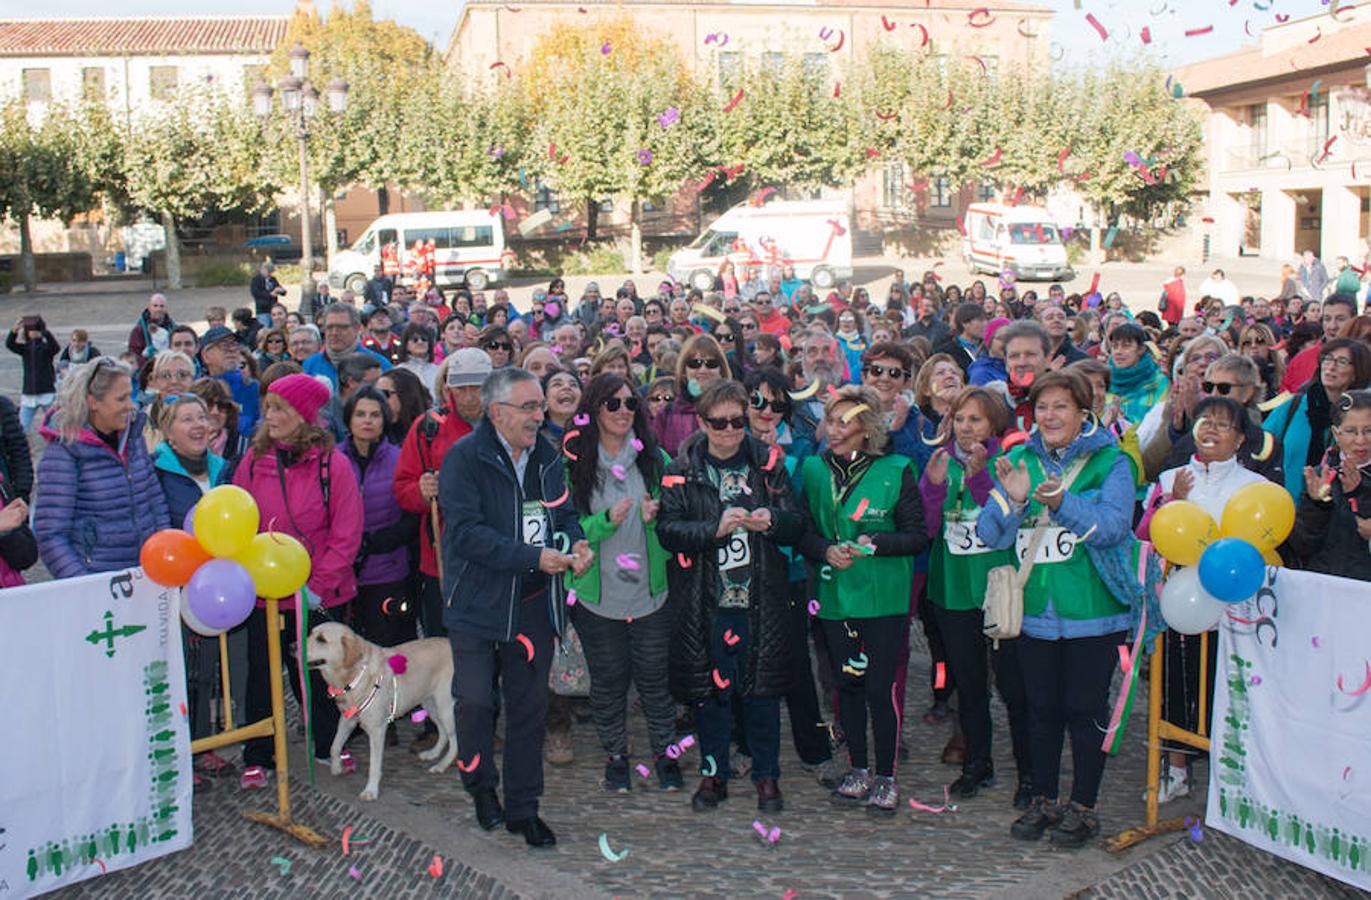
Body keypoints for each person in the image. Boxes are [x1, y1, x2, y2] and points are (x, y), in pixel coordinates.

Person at [976, 369, 1136, 849]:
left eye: (1060, 407)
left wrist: (1063, 502)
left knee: (1083, 710)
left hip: (1093, 610)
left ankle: (1083, 806)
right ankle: (1044, 798)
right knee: (1040, 709)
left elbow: (1111, 527)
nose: (1049, 416)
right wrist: (1017, 503)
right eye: (1042, 408)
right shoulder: (1019, 457)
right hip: (1034, 612)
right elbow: (990, 534)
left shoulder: (1112, 462)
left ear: (1083, 413)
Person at [439, 366, 591, 847]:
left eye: (539, 407)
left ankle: (524, 809)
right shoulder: (464, 459)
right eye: (528, 407)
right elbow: (464, 534)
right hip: (476, 603)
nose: (538, 415)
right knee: (476, 703)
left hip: (531, 604)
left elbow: (563, 513)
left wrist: (577, 543)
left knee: (527, 709)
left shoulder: (547, 455)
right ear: (497, 412)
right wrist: (533, 556)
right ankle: (481, 786)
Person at [657, 379, 811, 814]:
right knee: (711, 694)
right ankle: (713, 773)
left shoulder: (768, 463)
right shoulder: (683, 467)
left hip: (760, 597)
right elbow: (668, 530)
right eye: (719, 423)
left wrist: (773, 520)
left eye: (737, 421)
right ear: (703, 422)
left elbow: (798, 522)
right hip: (705, 601)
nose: (729, 430)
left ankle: (766, 775)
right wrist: (713, 530)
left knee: (761, 693)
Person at [799, 385, 927, 814]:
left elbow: (916, 534)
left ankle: (886, 775)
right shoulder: (815, 470)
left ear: (867, 429)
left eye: (843, 422)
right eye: (829, 420)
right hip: (836, 596)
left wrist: (878, 542)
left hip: (884, 597)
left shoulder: (897, 468)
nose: (832, 430)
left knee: (878, 687)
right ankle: (857, 768)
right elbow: (803, 530)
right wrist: (823, 551)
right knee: (847, 686)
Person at [1135, 396, 1269, 802]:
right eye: (1204, 421)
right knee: (1176, 683)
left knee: (1230, 688)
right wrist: (1170, 501)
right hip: (1181, 603)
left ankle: (1232, 777)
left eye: (1223, 425)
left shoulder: (1257, 488)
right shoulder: (1170, 477)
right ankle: (1175, 771)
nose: (1211, 430)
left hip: (1237, 609)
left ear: (1241, 438)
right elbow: (1145, 534)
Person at [233, 373, 363, 783]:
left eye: (279, 409)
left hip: (316, 594)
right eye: (267, 407)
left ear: (303, 416)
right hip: (265, 595)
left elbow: (347, 531)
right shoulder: (253, 461)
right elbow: (238, 521)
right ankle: (259, 752)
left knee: (324, 675)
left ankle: (327, 743)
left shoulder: (332, 465)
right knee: (262, 676)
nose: (268, 416)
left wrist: (318, 586)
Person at [563, 374, 681, 792]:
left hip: (649, 593)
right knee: (609, 680)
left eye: (631, 404)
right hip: (598, 596)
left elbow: (677, 525)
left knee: (654, 679)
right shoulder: (574, 462)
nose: (623, 412)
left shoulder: (656, 460)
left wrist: (657, 519)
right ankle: (616, 754)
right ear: (594, 408)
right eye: (613, 404)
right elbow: (564, 529)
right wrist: (601, 524)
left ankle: (665, 753)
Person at [921, 386, 1032, 806]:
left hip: (999, 591)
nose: (967, 428)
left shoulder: (1009, 464)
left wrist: (980, 477)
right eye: (960, 419)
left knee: (1014, 688)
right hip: (952, 592)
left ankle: (1029, 774)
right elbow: (927, 526)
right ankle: (977, 765)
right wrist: (933, 487)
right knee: (969, 687)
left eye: (976, 420)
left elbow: (1001, 520)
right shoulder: (940, 462)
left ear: (994, 425)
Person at [393, 348, 489, 726]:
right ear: (450, 387)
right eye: (462, 387)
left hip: (494, 558)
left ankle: (484, 715)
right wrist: (421, 490)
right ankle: (447, 721)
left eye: (478, 388)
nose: (470, 396)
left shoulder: (507, 421)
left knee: (491, 644)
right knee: (443, 644)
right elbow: (402, 489)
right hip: (442, 561)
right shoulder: (427, 427)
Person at [35, 357, 169, 577]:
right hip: (98, 580)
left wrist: (163, 552)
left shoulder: (133, 440)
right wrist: (83, 584)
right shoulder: (65, 453)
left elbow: (155, 502)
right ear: (93, 402)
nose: (131, 405)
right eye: (121, 399)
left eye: (130, 396)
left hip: (146, 576)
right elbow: (51, 534)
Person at [345, 385, 418, 649]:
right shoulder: (334, 461)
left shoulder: (400, 459)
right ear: (349, 419)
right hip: (345, 573)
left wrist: (377, 542)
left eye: (375, 415)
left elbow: (411, 515)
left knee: (391, 651)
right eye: (360, 414)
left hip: (388, 569)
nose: (367, 420)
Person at [1263, 337, 1371, 500]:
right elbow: (1260, 446)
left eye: (1342, 361)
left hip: (1340, 515)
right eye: (1327, 359)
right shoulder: (1294, 406)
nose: (1331, 367)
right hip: (1283, 508)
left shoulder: (1362, 417)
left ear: (1356, 372)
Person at [1290, 389, 1371, 580]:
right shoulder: (1322, 475)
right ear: (1335, 433)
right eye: (1351, 431)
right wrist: (1318, 505)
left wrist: (1358, 495)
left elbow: (1364, 529)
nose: (1360, 440)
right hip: (1326, 588)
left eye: (1369, 431)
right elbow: (1301, 545)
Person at [653, 333, 731, 457]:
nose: (703, 370)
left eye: (711, 363)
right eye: (695, 363)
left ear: (721, 369)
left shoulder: (735, 411)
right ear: (684, 370)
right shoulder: (666, 414)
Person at [1280, 292, 1357, 393]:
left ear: (1354, 320)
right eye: (1327, 319)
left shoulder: (1364, 359)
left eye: (1340, 319)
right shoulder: (1301, 360)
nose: (1332, 326)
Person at [303, 303, 393, 390]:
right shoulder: (310, 364)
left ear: (357, 328)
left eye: (342, 327)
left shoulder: (379, 365)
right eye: (329, 327)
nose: (334, 333)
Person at [198, 325, 261, 436]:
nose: (231, 349)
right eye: (224, 345)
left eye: (234, 344)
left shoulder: (252, 388)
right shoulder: (198, 392)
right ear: (206, 356)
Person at [1105, 323, 1169, 426]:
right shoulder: (1103, 380)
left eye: (1126, 346)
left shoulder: (1159, 382)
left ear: (1141, 349)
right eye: (1115, 346)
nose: (1118, 352)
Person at [7, 315, 59, 431]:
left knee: (54, 426)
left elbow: (55, 348)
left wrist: (43, 333)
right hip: (29, 393)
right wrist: (14, 331)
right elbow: (10, 344)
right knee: (22, 427)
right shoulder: (25, 348)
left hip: (46, 392)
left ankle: (59, 447)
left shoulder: (45, 348)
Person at [376, 367, 431, 443]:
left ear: (405, 396)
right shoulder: (375, 432)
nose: (378, 398)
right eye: (377, 393)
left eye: (384, 393)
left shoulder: (428, 433)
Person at [934, 303, 986, 374]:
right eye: (980, 320)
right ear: (965, 323)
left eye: (986, 320)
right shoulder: (947, 352)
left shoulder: (987, 349)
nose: (985, 324)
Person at [128, 293, 175, 359]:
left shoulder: (173, 328)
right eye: (155, 306)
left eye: (162, 306)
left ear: (166, 308)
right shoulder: (139, 330)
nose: (158, 309)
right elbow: (134, 356)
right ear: (149, 308)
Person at [541, 368, 582, 444]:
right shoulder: (533, 437)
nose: (567, 387)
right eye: (557, 384)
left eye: (573, 385)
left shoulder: (595, 434)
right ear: (544, 399)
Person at [250, 261, 288, 327]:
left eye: (271, 272)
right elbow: (256, 293)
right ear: (262, 269)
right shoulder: (256, 280)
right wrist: (270, 294)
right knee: (264, 327)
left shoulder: (273, 279)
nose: (269, 274)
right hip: (262, 309)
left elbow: (280, 289)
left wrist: (281, 290)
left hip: (273, 308)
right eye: (268, 271)